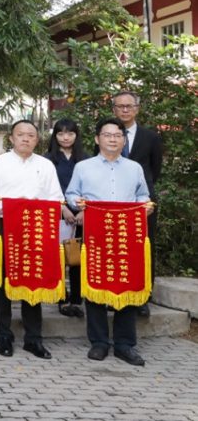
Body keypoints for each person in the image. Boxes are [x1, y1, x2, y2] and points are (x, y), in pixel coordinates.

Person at [65, 117, 153, 366]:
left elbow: (143, 194)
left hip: (126, 235)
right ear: (97, 139)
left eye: (117, 135)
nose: (113, 139)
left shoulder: (134, 167)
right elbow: (72, 194)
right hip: (96, 233)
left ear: (123, 140)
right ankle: (99, 342)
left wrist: (145, 206)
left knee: (126, 283)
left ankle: (125, 344)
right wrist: (78, 205)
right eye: (107, 135)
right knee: (95, 284)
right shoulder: (84, 167)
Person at [0, 120, 67, 359]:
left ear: (37, 140)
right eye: (21, 135)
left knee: (33, 281)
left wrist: (31, 213)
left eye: (31, 135)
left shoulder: (46, 165)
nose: (26, 139)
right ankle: (4, 335)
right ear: (11, 138)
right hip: (5, 225)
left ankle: (33, 338)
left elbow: (55, 197)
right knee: (2, 282)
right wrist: (12, 210)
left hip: (36, 230)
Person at [112, 90, 163, 318]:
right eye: (120, 106)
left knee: (143, 247)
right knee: (115, 247)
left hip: (142, 202)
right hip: (113, 202)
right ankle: (113, 293)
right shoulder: (108, 135)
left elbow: (155, 169)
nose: (124, 110)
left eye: (128, 106)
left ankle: (143, 297)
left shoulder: (150, 137)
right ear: (114, 109)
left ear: (137, 109)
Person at [45, 118, 88, 319]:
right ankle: (61, 297)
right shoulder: (47, 160)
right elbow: (47, 190)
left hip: (82, 215)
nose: (65, 137)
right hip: (57, 214)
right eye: (61, 133)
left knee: (78, 258)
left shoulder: (86, 160)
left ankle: (77, 299)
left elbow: (90, 189)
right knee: (60, 256)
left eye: (70, 133)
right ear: (55, 136)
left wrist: (83, 210)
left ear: (76, 136)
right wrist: (63, 209)